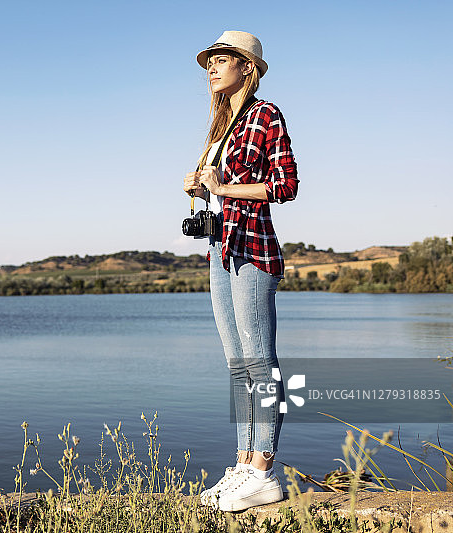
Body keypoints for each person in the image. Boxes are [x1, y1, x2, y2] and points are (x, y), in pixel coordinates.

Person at [183, 30, 298, 512]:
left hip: (252, 247)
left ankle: (263, 469)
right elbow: (220, 188)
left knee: (259, 360)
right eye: (209, 61)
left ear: (246, 67)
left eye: (221, 60)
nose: (211, 68)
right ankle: (243, 464)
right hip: (219, 247)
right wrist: (199, 186)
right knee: (237, 363)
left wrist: (224, 187)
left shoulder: (266, 114)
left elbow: (286, 186)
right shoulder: (221, 126)